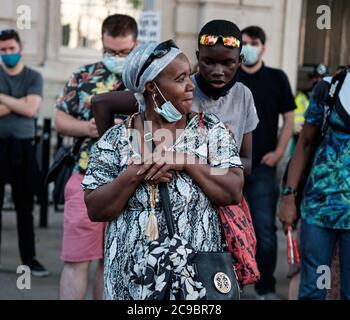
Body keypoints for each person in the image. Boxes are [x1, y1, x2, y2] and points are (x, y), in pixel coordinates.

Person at [81, 40, 244, 300]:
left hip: (195, 280)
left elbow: (233, 190)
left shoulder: (211, 131)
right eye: (180, 79)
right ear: (152, 88)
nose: (191, 85)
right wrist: (134, 174)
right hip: (131, 282)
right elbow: (95, 209)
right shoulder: (115, 140)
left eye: (189, 76)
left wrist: (187, 161)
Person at [92, 20, 259, 175]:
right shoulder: (175, 90)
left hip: (218, 193)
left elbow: (247, 163)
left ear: (239, 61)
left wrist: (195, 163)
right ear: (198, 57)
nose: (217, 71)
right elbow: (102, 103)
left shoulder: (243, 96)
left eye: (227, 63)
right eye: (208, 61)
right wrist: (113, 161)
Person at [54, 14, 138, 300]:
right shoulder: (83, 76)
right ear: (101, 43)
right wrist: (89, 127)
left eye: (124, 52)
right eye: (110, 51)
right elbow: (60, 120)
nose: (116, 57)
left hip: (131, 184)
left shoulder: (145, 80)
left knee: (112, 264)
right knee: (76, 261)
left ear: (135, 44)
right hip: (86, 177)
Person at [278, 66, 350, 300]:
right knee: (312, 289)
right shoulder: (328, 88)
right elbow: (305, 143)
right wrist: (288, 197)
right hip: (318, 209)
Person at [237, 26, 296, 299]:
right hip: (228, 167)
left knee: (264, 230)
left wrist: (279, 152)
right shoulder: (229, 76)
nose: (248, 47)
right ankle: (227, 285)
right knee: (225, 228)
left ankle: (265, 287)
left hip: (262, 166)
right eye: (244, 43)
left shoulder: (276, 78)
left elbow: (289, 120)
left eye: (254, 43)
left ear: (263, 47)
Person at [0, 29, 48, 276]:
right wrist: (18, 101)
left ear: (20, 48)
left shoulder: (33, 76)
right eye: (3, 50)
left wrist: (3, 99)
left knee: (24, 206)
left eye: (11, 48)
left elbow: (31, 110)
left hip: (23, 147)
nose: (8, 53)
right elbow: (26, 105)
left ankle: (29, 259)